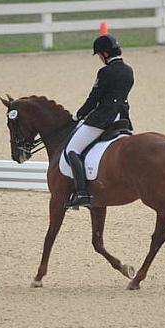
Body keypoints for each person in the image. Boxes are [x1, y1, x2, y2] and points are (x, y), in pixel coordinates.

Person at [64, 34, 134, 209]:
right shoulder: (128, 70)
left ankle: (81, 192)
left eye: (100, 56)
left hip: (104, 119)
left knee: (73, 149)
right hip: (122, 118)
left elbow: (93, 99)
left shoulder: (105, 72)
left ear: (104, 54)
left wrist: (77, 115)